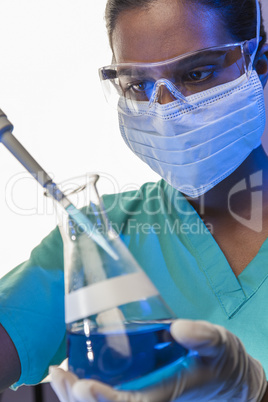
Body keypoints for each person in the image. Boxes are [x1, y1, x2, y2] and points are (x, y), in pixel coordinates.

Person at [0, 0, 268, 400]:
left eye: (195, 73)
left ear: (259, 61)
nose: (163, 109)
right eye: (137, 85)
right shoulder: (96, 237)